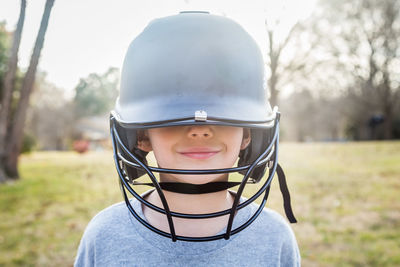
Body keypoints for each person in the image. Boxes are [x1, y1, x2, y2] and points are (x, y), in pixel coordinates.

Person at [75, 11, 300, 266]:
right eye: (174, 118)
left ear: (248, 134)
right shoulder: (105, 236)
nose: (199, 131)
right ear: (141, 136)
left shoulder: (274, 238)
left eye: (225, 117)